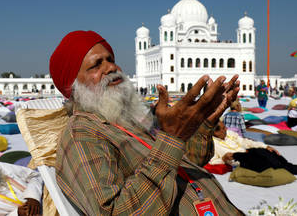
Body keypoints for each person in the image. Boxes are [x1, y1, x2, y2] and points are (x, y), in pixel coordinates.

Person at [50, 30, 243, 215]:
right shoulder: (82, 135)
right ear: (74, 86)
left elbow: (181, 163)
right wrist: (173, 138)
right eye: (96, 65)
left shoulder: (123, 121)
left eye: (111, 60)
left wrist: (203, 124)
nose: (111, 68)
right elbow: (115, 212)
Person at [211, 122, 297, 176]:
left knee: (273, 155)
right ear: (213, 132)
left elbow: (245, 142)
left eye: (224, 127)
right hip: (240, 160)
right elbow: (211, 162)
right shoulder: (212, 144)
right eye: (220, 129)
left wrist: (265, 146)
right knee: (275, 163)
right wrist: (223, 159)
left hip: (250, 153)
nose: (224, 130)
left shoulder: (230, 133)